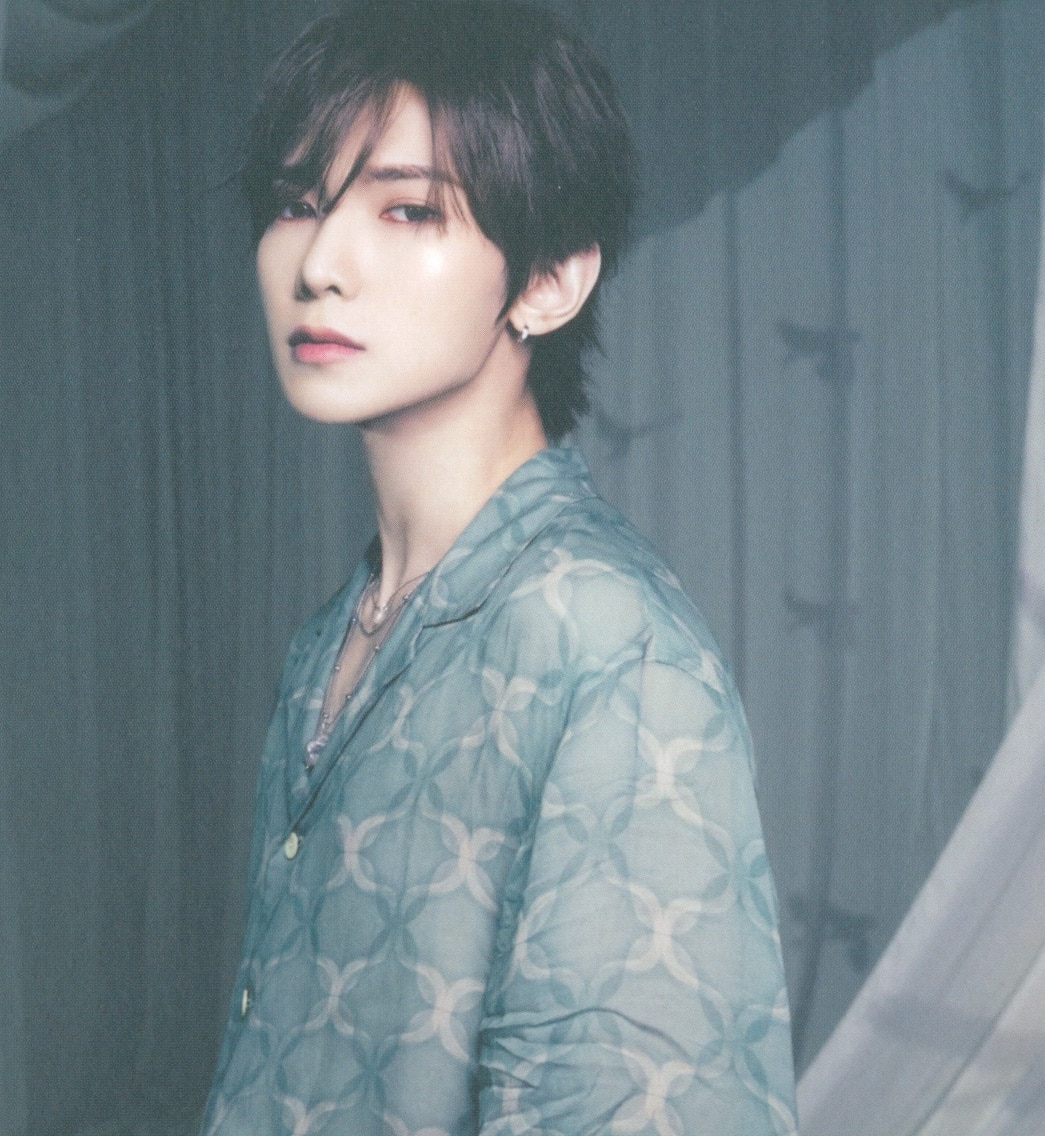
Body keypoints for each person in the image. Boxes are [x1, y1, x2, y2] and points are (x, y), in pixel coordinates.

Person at [200, 3, 799, 1133]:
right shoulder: (329, 638)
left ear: (549, 279)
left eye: (408, 209)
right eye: (296, 202)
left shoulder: (607, 644)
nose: (318, 264)